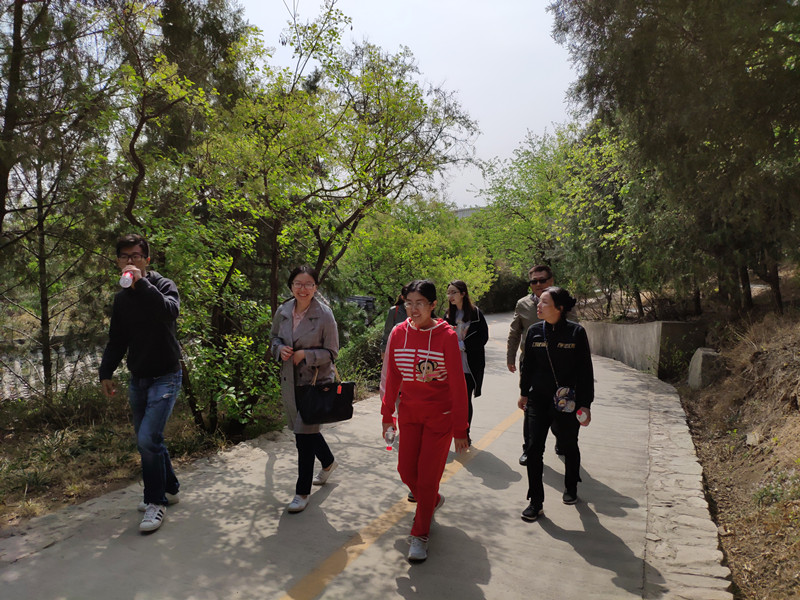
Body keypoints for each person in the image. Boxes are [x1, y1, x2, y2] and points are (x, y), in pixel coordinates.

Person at [99, 234, 182, 533]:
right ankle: (170, 488)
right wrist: (105, 372)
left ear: (146, 259)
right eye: (124, 256)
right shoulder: (122, 299)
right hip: (139, 378)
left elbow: (169, 311)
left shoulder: (163, 285)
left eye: (135, 256)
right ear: (117, 261)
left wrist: (142, 283)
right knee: (150, 440)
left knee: (148, 439)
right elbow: (117, 340)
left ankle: (155, 502)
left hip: (167, 376)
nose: (130, 261)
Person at [381, 279, 469, 562]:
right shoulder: (398, 333)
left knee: (428, 477)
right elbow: (393, 376)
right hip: (409, 414)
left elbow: (458, 385)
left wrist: (460, 428)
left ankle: (419, 535)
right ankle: (431, 502)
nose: (414, 309)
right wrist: (387, 415)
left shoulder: (446, 336)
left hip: (440, 418)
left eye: (420, 303)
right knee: (406, 470)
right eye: (409, 303)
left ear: (433, 305)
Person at [517, 286, 594, 522]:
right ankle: (535, 502)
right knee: (533, 449)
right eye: (538, 302)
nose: (538, 306)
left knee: (569, 445)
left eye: (544, 302)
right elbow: (528, 366)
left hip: (567, 402)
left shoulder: (576, 333)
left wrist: (585, 404)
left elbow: (585, 371)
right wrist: (523, 393)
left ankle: (571, 486)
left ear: (559, 308)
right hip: (538, 400)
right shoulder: (534, 332)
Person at [270, 266, 340, 514]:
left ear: (315, 287)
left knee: (303, 438)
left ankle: (302, 492)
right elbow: (274, 339)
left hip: (315, 384)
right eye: (298, 284)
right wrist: (280, 350)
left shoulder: (324, 315)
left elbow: (332, 352)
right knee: (304, 431)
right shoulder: (283, 311)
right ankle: (328, 462)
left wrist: (305, 355)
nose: (303, 289)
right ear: (291, 286)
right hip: (291, 383)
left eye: (308, 284)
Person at [506, 265, 555, 465]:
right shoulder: (523, 304)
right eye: (534, 281)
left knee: (560, 405)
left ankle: (562, 438)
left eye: (542, 280)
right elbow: (514, 332)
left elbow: (575, 329)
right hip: (531, 365)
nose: (538, 284)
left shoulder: (562, 300)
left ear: (551, 281)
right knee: (530, 406)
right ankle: (528, 449)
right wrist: (510, 357)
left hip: (558, 365)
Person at [444, 280, 489, 446]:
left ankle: (465, 432)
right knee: (450, 400)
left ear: (463, 294)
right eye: (448, 293)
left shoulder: (476, 314)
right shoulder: (448, 315)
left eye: (454, 292)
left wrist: (463, 346)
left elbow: (483, 337)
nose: (450, 296)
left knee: (464, 400)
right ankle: (450, 431)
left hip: (469, 364)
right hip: (451, 364)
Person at [380, 288, 408, 360]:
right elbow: (387, 331)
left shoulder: (417, 312)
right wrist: (384, 349)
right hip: (396, 349)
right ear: (403, 297)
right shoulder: (394, 310)